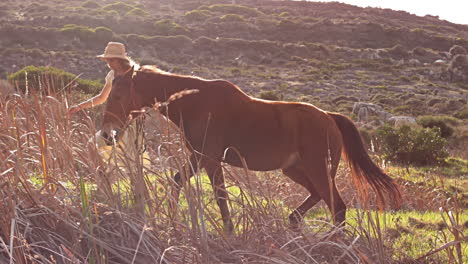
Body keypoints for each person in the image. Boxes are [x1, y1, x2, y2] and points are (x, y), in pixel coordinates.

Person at [68, 42, 139, 114]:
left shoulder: (136, 74)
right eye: (107, 60)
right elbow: (101, 98)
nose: (109, 63)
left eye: (111, 60)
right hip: (118, 116)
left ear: (120, 60)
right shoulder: (111, 75)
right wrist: (79, 107)